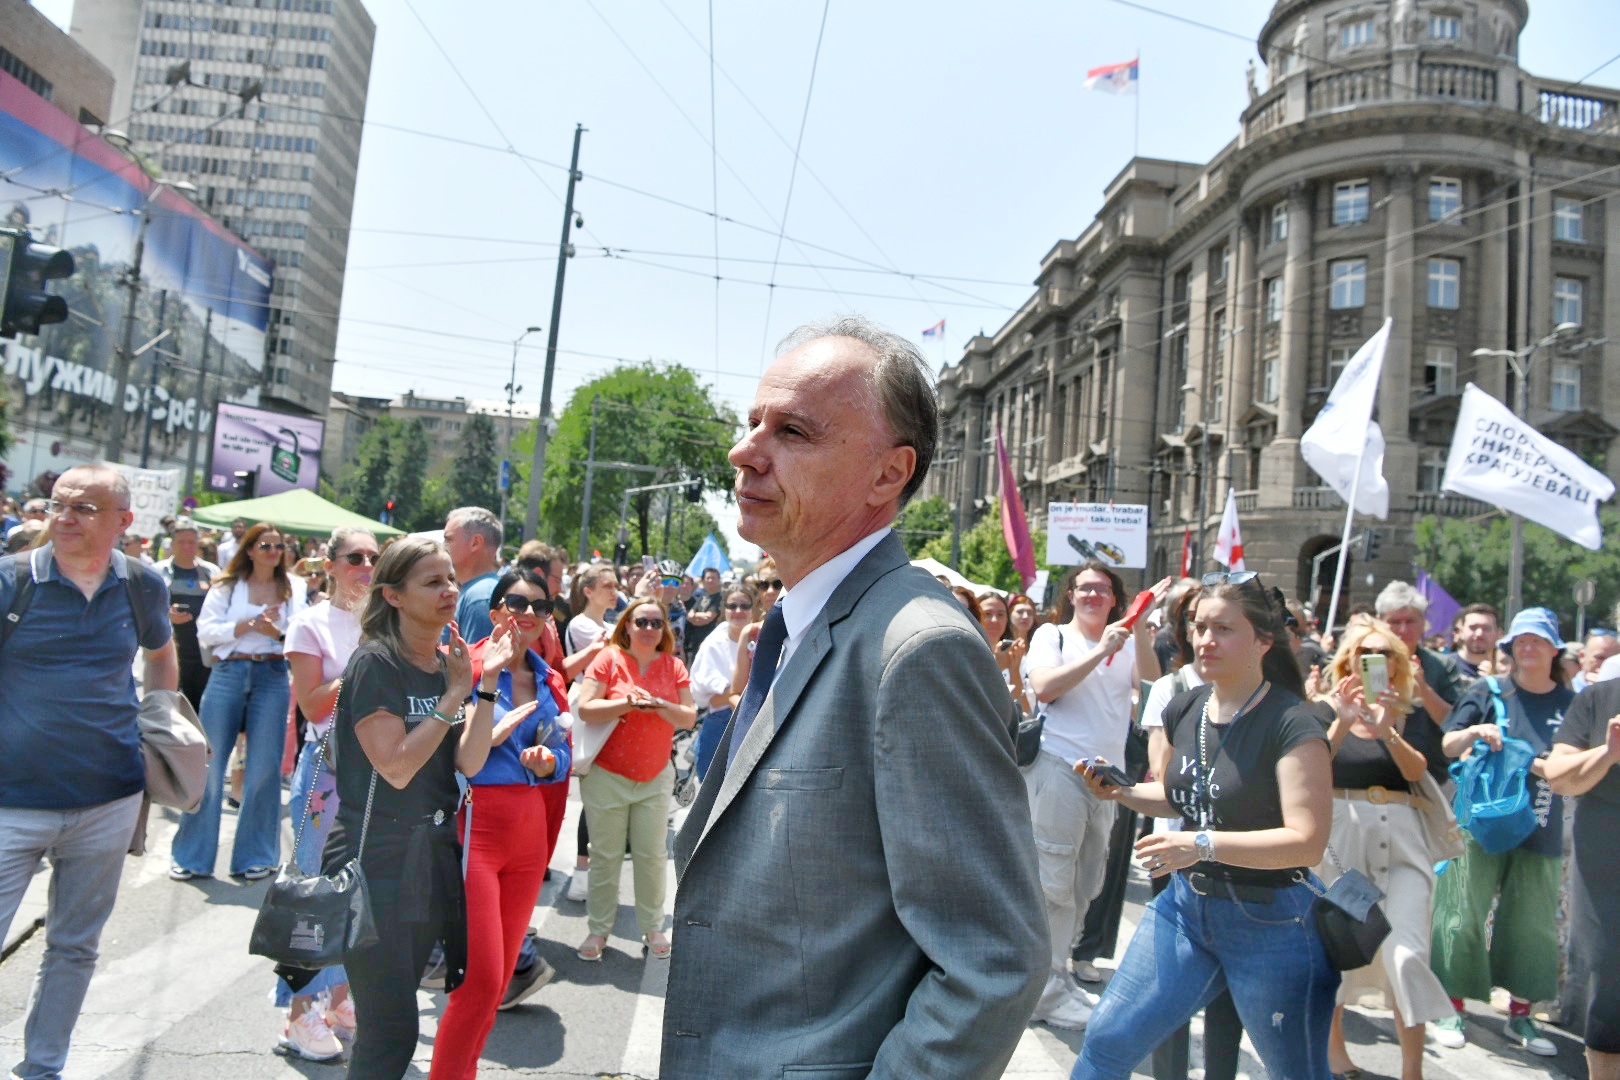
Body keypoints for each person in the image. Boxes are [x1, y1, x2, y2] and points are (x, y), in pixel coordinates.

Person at [660, 316, 1045, 1079]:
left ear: (887, 474)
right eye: (752, 424)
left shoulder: (917, 648)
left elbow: (992, 965)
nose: (744, 452)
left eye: (793, 431)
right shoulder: (801, 620)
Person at [1071, 573, 1337, 1080]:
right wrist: (1122, 789)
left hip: (1274, 921)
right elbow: (1182, 795)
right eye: (1198, 627)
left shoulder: (1293, 724)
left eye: (1224, 629)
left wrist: (1199, 843)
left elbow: (1307, 842)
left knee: (1296, 1072)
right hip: (1186, 908)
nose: (1205, 640)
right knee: (1106, 1043)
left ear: (1263, 641)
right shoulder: (1187, 706)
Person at [0, 466, 178, 1080]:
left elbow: (161, 655)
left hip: (108, 798)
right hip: (10, 799)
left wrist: (159, 725)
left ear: (124, 522)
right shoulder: (10, 581)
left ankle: (42, 1067)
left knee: (74, 947)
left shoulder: (143, 585)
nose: (65, 517)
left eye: (84, 508)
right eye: (58, 505)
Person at [324, 537, 489, 1080]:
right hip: (376, 859)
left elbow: (466, 762)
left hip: (430, 854)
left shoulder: (446, 664)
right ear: (392, 595)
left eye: (451, 580)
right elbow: (395, 766)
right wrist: (450, 700)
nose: (448, 591)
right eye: (432, 582)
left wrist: (478, 694)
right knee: (389, 1027)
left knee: (398, 1024)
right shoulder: (375, 662)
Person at [431, 567, 572, 1078]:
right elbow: (435, 746)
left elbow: (564, 750)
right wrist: (484, 729)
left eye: (541, 606)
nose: (529, 613)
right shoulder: (461, 667)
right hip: (475, 827)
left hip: (530, 833)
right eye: (517, 602)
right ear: (494, 612)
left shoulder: (548, 677)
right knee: (482, 981)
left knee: (500, 980)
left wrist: (549, 761)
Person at [1024, 561, 1167, 1028]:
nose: (1092, 595)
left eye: (1102, 590)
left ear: (1114, 599)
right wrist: (1099, 650)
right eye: (1084, 588)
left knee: (1088, 884)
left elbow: (1152, 689)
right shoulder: (1054, 637)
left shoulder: (1125, 640)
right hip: (1060, 767)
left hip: (1107, 781)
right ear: (1070, 595)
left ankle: (1058, 974)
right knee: (1053, 882)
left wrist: (1138, 629)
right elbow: (1044, 688)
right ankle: (1043, 989)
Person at [1314, 619, 1456, 1080]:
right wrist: (1343, 722)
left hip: (1404, 843)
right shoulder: (1324, 708)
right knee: (1336, 951)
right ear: (1348, 661)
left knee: (1407, 954)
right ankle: (1337, 1059)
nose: (1375, 659)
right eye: (1364, 651)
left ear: (1397, 662)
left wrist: (1387, 728)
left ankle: (1412, 1070)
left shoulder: (1411, 710)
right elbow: (1311, 768)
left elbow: (1420, 771)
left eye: (1385, 652)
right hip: (1341, 842)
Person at [1431, 606, 1573, 1056]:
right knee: (1460, 910)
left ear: (1555, 649)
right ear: (1509, 647)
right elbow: (1447, 743)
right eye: (1520, 640)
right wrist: (1477, 729)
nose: (1528, 647)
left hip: (1544, 820)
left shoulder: (1572, 704)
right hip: (1481, 817)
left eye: (1538, 639)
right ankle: (1450, 1005)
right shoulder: (1488, 689)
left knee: (1533, 924)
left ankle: (1521, 1015)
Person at [275, 526, 378, 1060]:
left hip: (372, 768)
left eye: (373, 558)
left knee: (352, 887)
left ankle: (339, 997)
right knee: (311, 889)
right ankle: (297, 1013)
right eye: (354, 557)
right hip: (326, 766)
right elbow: (314, 706)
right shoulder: (310, 622)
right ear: (331, 565)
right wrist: (366, 655)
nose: (366, 566)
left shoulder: (383, 623)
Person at [170, 522, 307, 881]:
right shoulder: (228, 587)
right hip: (229, 672)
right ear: (249, 550)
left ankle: (255, 856)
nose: (273, 552)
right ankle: (192, 856)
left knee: (264, 769)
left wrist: (273, 631)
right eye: (265, 546)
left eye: (279, 546)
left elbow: (299, 635)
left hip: (272, 675)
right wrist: (249, 625)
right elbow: (207, 631)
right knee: (210, 764)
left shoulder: (295, 588)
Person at [574, 597, 696, 961]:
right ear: (626, 625)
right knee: (605, 855)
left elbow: (688, 718)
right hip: (606, 774)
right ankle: (598, 931)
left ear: (664, 631)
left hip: (655, 774)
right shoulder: (608, 659)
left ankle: (653, 926)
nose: (648, 629)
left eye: (656, 623)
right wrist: (627, 703)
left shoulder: (674, 666)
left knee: (652, 855)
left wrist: (659, 706)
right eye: (641, 622)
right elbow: (585, 708)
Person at [1545, 675, 1620, 1080]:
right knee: (1608, 985)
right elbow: (1559, 778)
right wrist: (1607, 754)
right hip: (1606, 864)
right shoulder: (1599, 699)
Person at [1376, 581, 1461, 781]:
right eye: (1395, 622)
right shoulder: (1362, 661)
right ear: (1380, 622)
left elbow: (1455, 723)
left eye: (1410, 621)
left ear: (1423, 623)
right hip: (1373, 773)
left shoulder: (1442, 666)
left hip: (1430, 777)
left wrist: (1424, 690)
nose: (1403, 629)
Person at [687, 582, 756, 779]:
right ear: (723, 609)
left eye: (744, 606)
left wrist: (733, 693)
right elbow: (711, 700)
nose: (738, 611)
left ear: (754, 609)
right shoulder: (713, 644)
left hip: (755, 723)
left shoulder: (763, 639)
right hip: (720, 725)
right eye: (732, 606)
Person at [152, 517, 221, 712]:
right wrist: (166, 614)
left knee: (199, 706)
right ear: (172, 544)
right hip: (169, 646)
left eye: (191, 542)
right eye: (181, 542)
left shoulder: (211, 572)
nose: (187, 547)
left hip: (202, 650)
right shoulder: (158, 572)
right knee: (167, 703)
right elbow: (147, 609)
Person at [444, 507, 504, 646]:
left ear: (475, 542)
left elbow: (477, 664)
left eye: (448, 540)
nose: (442, 547)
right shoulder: (481, 591)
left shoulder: (480, 597)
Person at [1451, 603, 1500, 682]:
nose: (1479, 634)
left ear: (1498, 634)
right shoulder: (1443, 667)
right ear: (1461, 632)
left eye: (1486, 628)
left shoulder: (1506, 672)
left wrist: (1496, 681)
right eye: (1473, 628)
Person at [683, 565, 724, 659]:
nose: (710, 580)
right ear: (703, 580)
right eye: (708, 578)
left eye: (713, 578)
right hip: (694, 642)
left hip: (710, 643)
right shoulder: (703, 596)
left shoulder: (720, 597)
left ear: (718, 580)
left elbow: (708, 618)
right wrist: (696, 617)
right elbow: (689, 615)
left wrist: (694, 618)